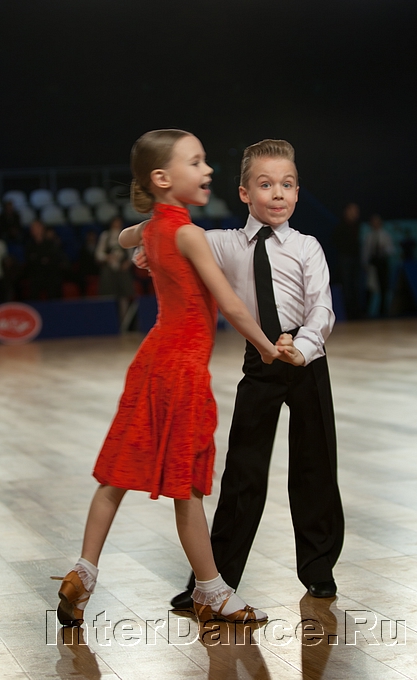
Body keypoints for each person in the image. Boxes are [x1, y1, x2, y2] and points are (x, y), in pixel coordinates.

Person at [54, 129, 299, 629]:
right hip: (183, 369)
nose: (207, 170)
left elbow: (125, 237)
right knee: (187, 489)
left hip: (151, 361)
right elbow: (231, 305)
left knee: (116, 475)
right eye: (196, 162)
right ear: (163, 178)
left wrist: (143, 241)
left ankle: (82, 572)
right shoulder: (188, 235)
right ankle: (213, 592)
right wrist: (266, 347)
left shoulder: (156, 229)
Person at [135, 139, 344, 607]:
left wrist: (301, 349)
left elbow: (322, 309)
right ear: (245, 193)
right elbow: (165, 233)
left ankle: (319, 569)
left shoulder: (307, 247)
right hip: (260, 361)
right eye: (266, 185)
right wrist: (147, 244)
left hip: (306, 362)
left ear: (297, 192)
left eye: (287, 184)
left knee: (315, 467)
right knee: (242, 473)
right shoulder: (224, 243)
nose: (278, 193)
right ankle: (215, 580)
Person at [332, 202, 363, 319]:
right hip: (345, 259)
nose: (355, 214)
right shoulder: (341, 227)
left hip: (356, 258)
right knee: (347, 286)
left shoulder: (359, 227)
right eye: (353, 211)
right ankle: (348, 312)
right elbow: (335, 241)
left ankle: (357, 311)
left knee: (357, 285)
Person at [362, 214, 394, 317]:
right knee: (370, 287)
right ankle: (367, 311)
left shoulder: (385, 235)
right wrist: (365, 263)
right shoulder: (369, 236)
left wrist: (384, 249)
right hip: (372, 264)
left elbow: (391, 250)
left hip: (382, 263)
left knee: (383, 286)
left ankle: (383, 310)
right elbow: (366, 251)